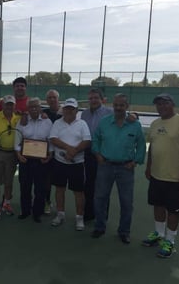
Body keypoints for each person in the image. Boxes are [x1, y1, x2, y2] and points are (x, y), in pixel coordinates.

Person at [142, 93, 179, 258]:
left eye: (165, 103)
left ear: (172, 104)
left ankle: (170, 242)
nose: (161, 106)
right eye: (158, 104)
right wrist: (149, 166)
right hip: (156, 175)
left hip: (175, 177)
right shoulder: (154, 124)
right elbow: (152, 147)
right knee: (158, 205)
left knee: (173, 211)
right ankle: (159, 234)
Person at [91, 93, 146, 244]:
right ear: (112, 106)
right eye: (116, 105)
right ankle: (99, 227)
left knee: (126, 202)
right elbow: (95, 139)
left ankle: (124, 231)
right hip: (105, 166)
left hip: (125, 168)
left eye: (121, 105)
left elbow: (141, 145)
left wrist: (135, 161)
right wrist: (97, 154)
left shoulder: (135, 125)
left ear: (127, 107)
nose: (118, 108)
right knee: (100, 198)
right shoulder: (104, 122)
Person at [49, 98, 91, 230]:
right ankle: (60, 214)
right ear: (64, 109)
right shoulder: (57, 122)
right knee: (59, 189)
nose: (68, 110)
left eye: (71, 108)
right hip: (60, 162)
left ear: (76, 110)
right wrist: (69, 149)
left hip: (77, 163)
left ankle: (79, 218)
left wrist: (74, 152)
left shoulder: (82, 123)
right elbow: (53, 139)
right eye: (66, 108)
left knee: (78, 192)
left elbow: (87, 141)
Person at [15, 97, 53, 223]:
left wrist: (50, 155)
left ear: (40, 107)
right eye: (31, 107)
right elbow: (17, 139)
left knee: (40, 188)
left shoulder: (48, 122)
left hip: (41, 161)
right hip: (25, 159)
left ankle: (37, 213)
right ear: (28, 109)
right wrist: (18, 154)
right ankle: (25, 211)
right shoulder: (22, 121)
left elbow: (50, 141)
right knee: (25, 187)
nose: (34, 109)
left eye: (36, 106)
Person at [80, 88, 113, 222]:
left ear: (102, 99)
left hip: (104, 153)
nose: (93, 100)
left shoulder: (110, 112)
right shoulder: (84, 114)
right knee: (88, 184)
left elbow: (125, 120)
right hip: (88, 153)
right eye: (91, 98)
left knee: (103, 186)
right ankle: (88, 213)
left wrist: (134, 115)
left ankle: (102, 216)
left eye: (96, 98)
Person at [42, 89, 62, 215]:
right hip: (47, 152)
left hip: (61, 152)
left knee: (60, 182)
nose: (52, 99)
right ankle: (47, 202)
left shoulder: (66, 112)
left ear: (58, 98)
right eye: (49, 98)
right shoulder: (43, 113)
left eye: (54, 97)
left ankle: (61, 208)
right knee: (46, 180)